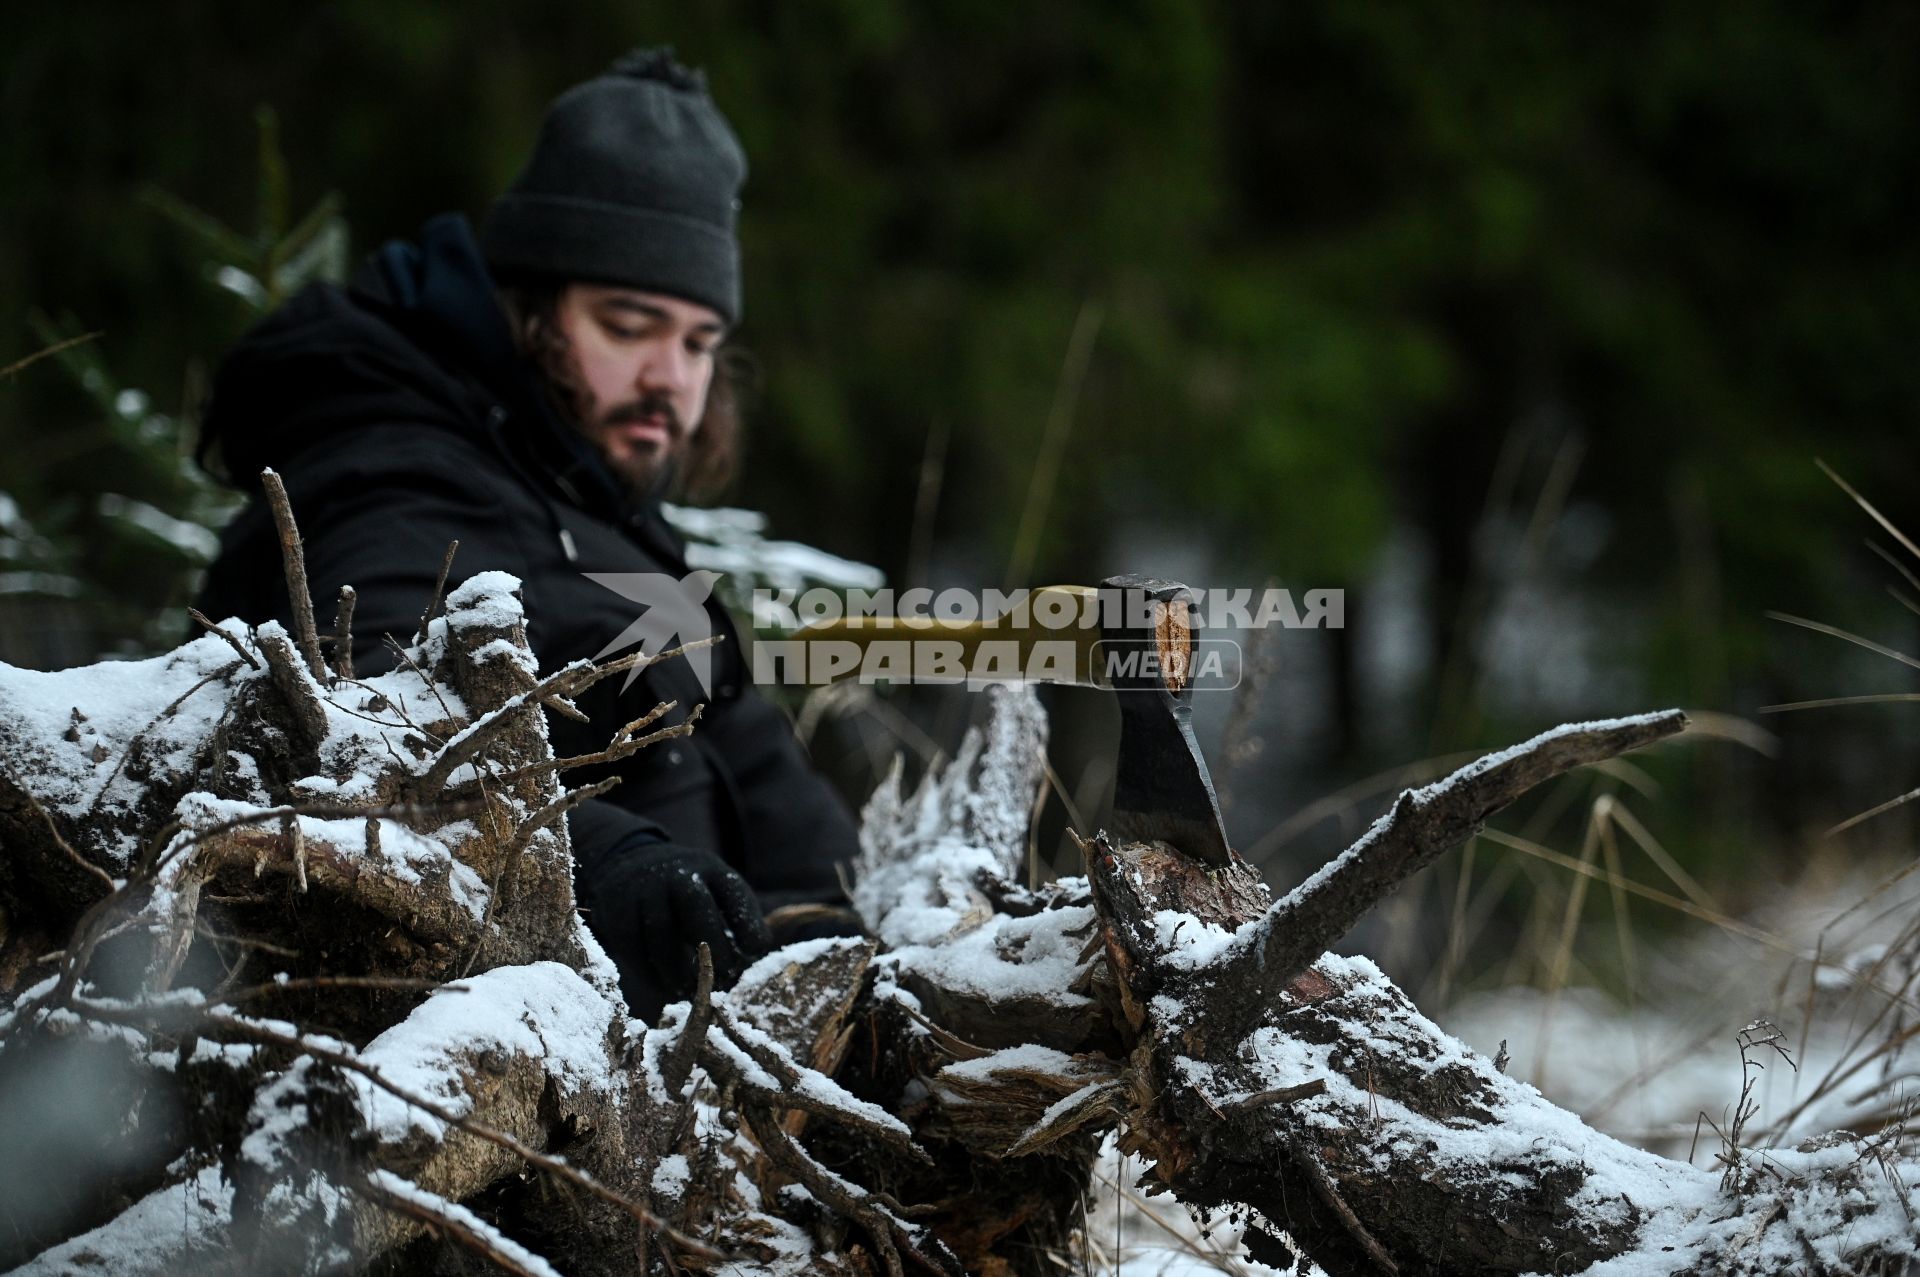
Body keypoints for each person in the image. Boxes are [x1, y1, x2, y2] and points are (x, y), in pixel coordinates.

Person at [192, 48, 860, 1020]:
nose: (671, 377)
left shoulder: (593, 499)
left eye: (699, 343)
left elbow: (753, 759)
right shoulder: (392, 462)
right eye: (630, 325)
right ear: (531, 308)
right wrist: (612, 862)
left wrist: (843, 924)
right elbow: (381, 733)